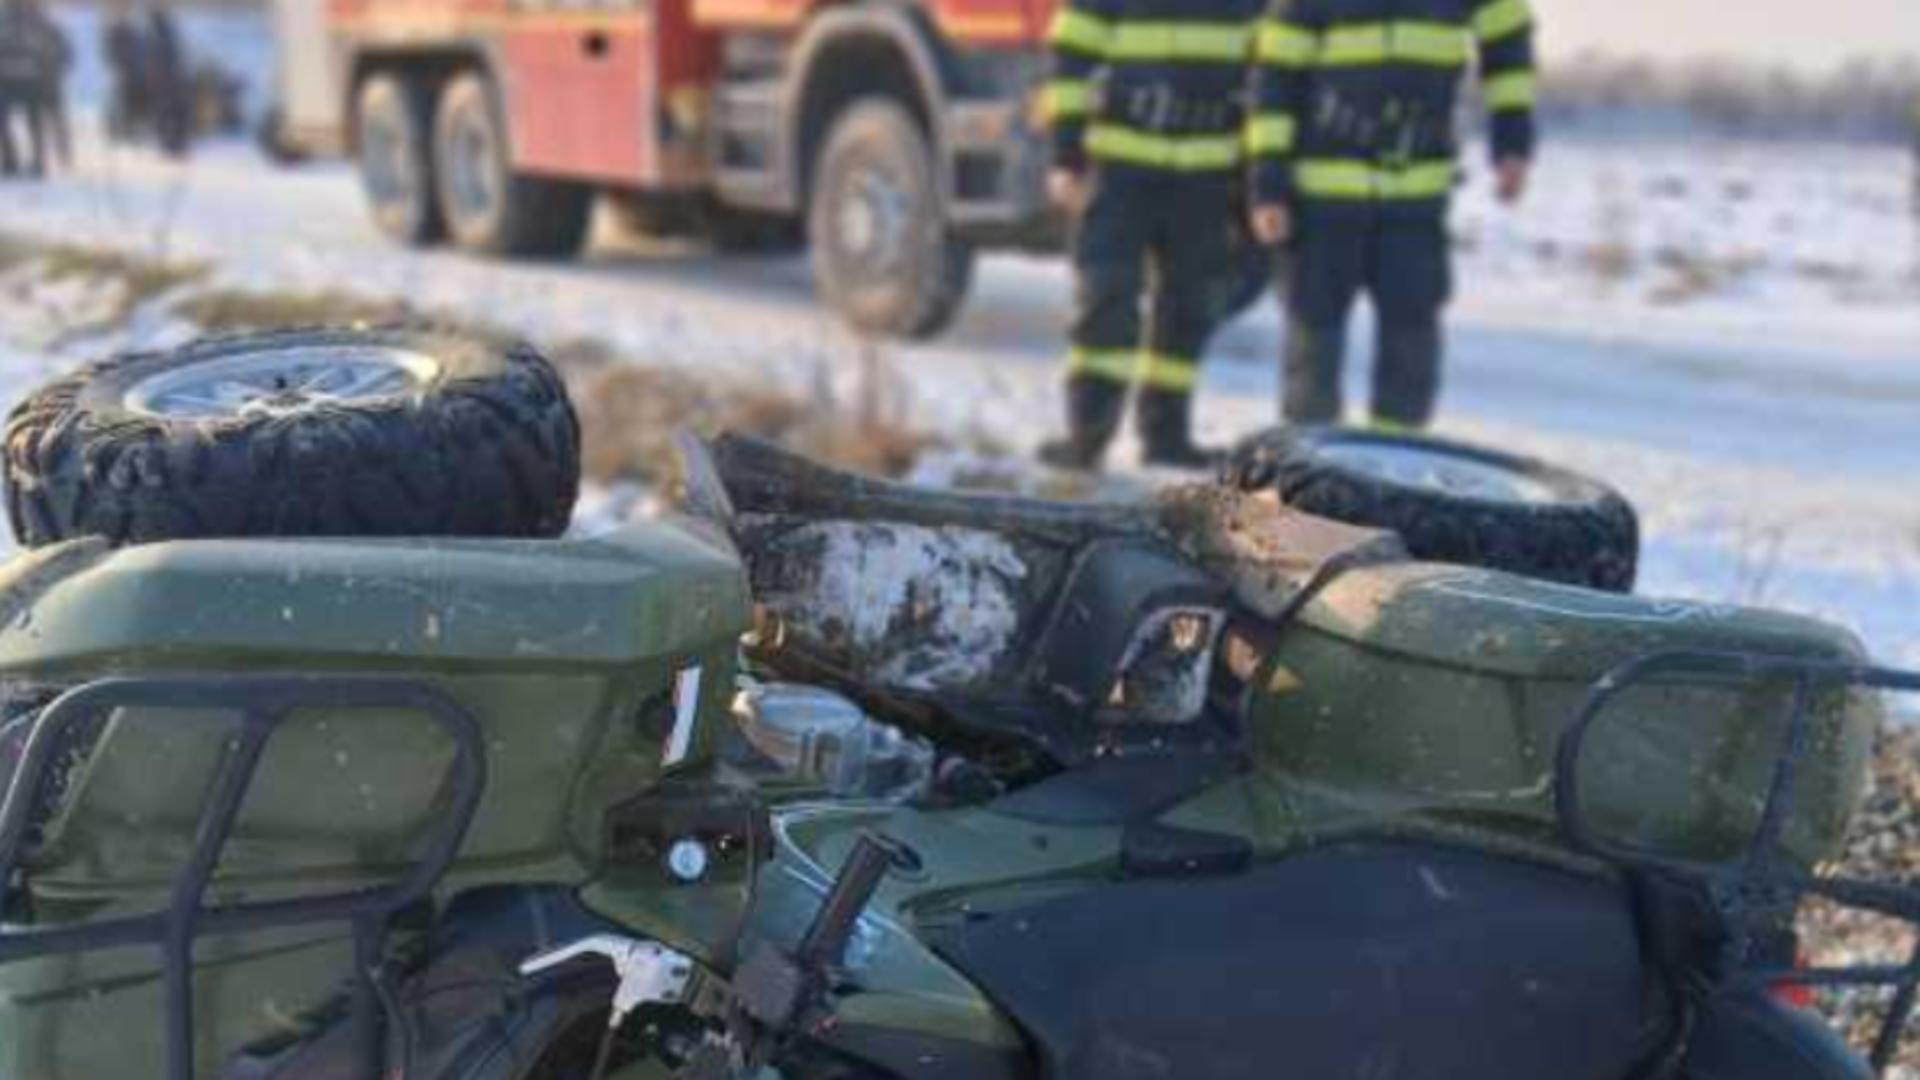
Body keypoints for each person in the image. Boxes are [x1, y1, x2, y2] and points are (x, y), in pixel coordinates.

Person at [1247, 0, 1538, 430]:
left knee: (1411, 343)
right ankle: (1307, 472)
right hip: (1323, 197)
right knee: (1314, 342)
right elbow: (1274, 81)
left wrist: (1512, 144)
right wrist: (1267, 187)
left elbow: (1509, 47)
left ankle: (1395, 470)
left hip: (1416, 199)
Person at [1036, 0, 1264, 471]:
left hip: (1204, 179)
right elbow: (1070, 63)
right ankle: (1086, 438)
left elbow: (1271, 78)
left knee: (1188, 310)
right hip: (1121, 172)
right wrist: (1066, 153)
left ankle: (1166, 437)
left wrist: (1254, 183)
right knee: (1107, 299)